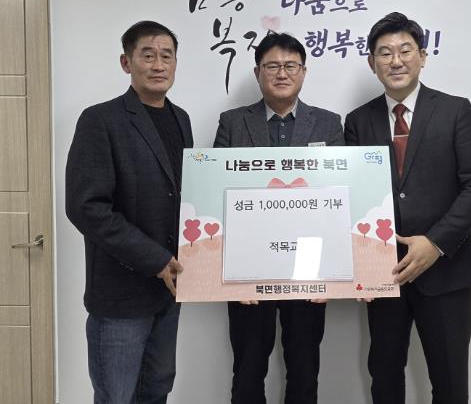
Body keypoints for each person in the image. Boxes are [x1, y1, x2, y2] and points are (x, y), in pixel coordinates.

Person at [344, 12, 471, 404]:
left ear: (423, 57)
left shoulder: (455, 110)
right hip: (384, 274)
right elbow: (353, 197)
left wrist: (435, 243)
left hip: (446, 271)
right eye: (385, 53)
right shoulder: (358, 121)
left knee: (449, 382)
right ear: (371, 63)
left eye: (405, 50)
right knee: (384, 377)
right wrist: (362, 266)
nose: (396, 60)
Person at [66, 20, 193, 404]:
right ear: (127, 62)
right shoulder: (100, 120)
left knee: (157, 389)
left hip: (170, 290)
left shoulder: (181, 118)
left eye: (166, 56)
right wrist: (155, 259)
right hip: (121, 295)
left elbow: (184, 197)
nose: (159, 65)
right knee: (116, 395)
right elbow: (86, 207)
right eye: (147, 55)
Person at [213, 32, 344, 404]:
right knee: (248, 370)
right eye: (272, 66)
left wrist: (329, 273)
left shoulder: (328, 124)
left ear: (304, 72)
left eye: (290, 65)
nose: (281, 73)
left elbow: (339, 198)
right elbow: (216, 193)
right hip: (247, 266)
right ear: (257, 73)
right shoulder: (233, 122)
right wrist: (229, 274)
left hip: (309, 265)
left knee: (304, 368)